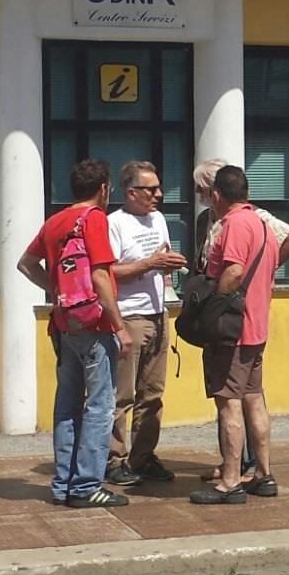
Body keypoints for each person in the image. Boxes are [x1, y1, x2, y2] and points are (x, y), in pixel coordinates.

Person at [16, 158, 133, 509]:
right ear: (103, 189)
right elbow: (100, 277)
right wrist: (120, 327)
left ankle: (63, 484)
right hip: (95, 326)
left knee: (67, 405)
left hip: (64, 324)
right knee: (100, 405)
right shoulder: (93, 219)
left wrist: (55, 293)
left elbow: (25, 263)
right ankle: (86, 486)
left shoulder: (55, 222)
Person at [192, 157, 289, 484]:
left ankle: (230, 480)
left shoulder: (236, 224)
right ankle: (263, 473)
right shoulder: (259, 224)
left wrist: (214, 301)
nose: (200, 197)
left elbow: (235, 270)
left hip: (233, 329)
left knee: (228, 404)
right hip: (254, 325)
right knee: (254, 399)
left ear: (216, 193)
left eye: (203, 190)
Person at [102, 160, 186, 488]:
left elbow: (160, 259)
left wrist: (166, 265)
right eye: (150, 189)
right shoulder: (115, 224)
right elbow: (108, 273)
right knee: (122, 394)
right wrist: (150, 263)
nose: (158, 195)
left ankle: (143, 455)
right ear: (131, 192)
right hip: (129, 314)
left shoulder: (159, 219)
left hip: (158, 311)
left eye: (158, 188)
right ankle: (114, 458)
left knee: (153, 393)